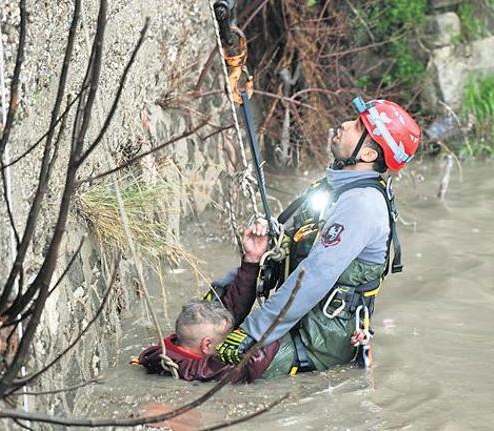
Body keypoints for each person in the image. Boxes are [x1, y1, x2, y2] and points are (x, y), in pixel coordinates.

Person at [215, 97, 422, 377]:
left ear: (369, 155)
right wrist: (255, 258)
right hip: (300, 321)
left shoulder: (361, 204)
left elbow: (314, 275)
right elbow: (294, 243)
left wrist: (254, 331)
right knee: (198, 329)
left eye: (358, 127)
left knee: (218, 368)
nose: (345, 124)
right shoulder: (335, 188)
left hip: (319, 342)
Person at [135, 221, 281, 382]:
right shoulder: (196, 371)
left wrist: (252, 259)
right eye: (228, 338)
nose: (232, 337)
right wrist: (282, 316)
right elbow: (248, 367)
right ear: (206, 345)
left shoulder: (164, 350)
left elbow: (230, 311)